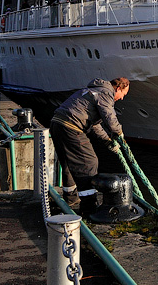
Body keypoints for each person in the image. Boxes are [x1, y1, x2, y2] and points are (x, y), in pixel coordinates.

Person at [49, 77, 130, 217]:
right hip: (71, 127)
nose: (122, 98)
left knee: (68, 162)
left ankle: (71, 198)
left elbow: (95, 125)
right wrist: (119, 133)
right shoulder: (106, 93)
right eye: (123, 94)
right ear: (118, 88)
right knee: (88, 163)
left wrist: (107, 141)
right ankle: (89, 207)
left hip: (57, 123)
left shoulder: (92, 91)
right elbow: (109, 116)